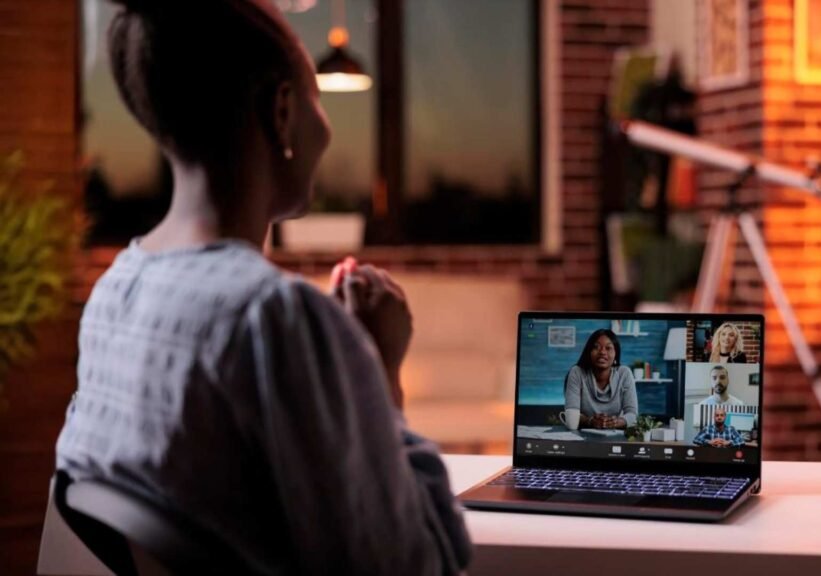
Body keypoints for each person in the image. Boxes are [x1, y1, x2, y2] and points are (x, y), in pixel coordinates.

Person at [54, 1, 470, 574]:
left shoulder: (113, 293)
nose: (326, 126)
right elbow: (418, 565)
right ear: (282, 114)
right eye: (317, 101)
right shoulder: (274, 316)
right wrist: (376, 366)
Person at [564, 329, 638, 430]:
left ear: (616, 353)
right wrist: (590, 421)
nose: (602, 352)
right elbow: (572, 420)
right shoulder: (577, 372)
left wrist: (615, 422)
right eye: (596, 347)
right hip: (583, 438)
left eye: (608, 348)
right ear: (589, 352)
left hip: (616, 436)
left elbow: (633, 415)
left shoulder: (624, 374)